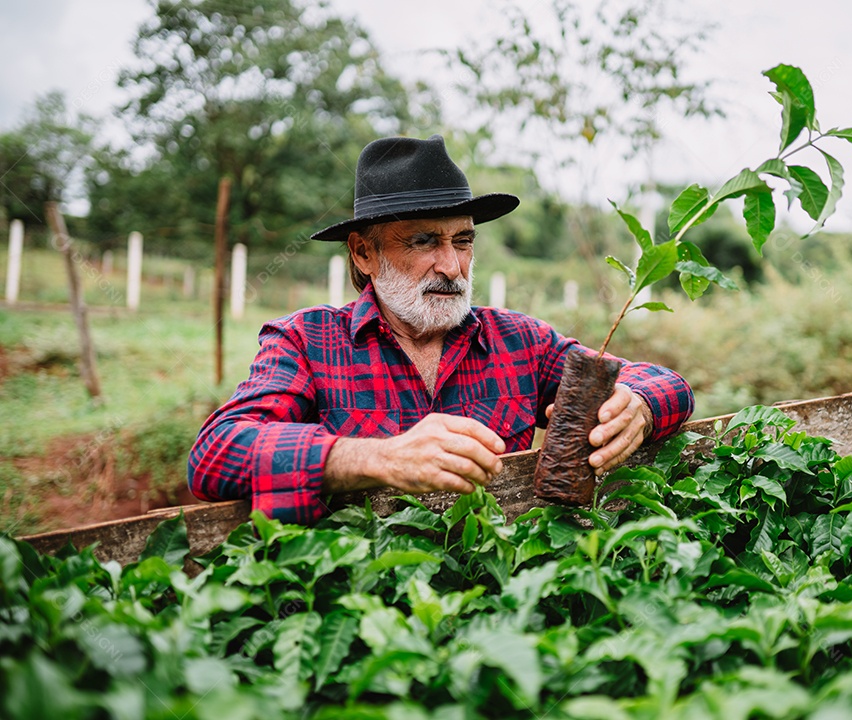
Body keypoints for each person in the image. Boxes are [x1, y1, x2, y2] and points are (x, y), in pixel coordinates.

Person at [188, 135, 694, 524]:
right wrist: (377, 457)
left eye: (463, 240)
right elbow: (215, 453)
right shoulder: (308, 341)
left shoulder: (521, 343)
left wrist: (639, 407)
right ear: (364, 252)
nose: (452, 265)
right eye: (425, 241)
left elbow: (666, 383)